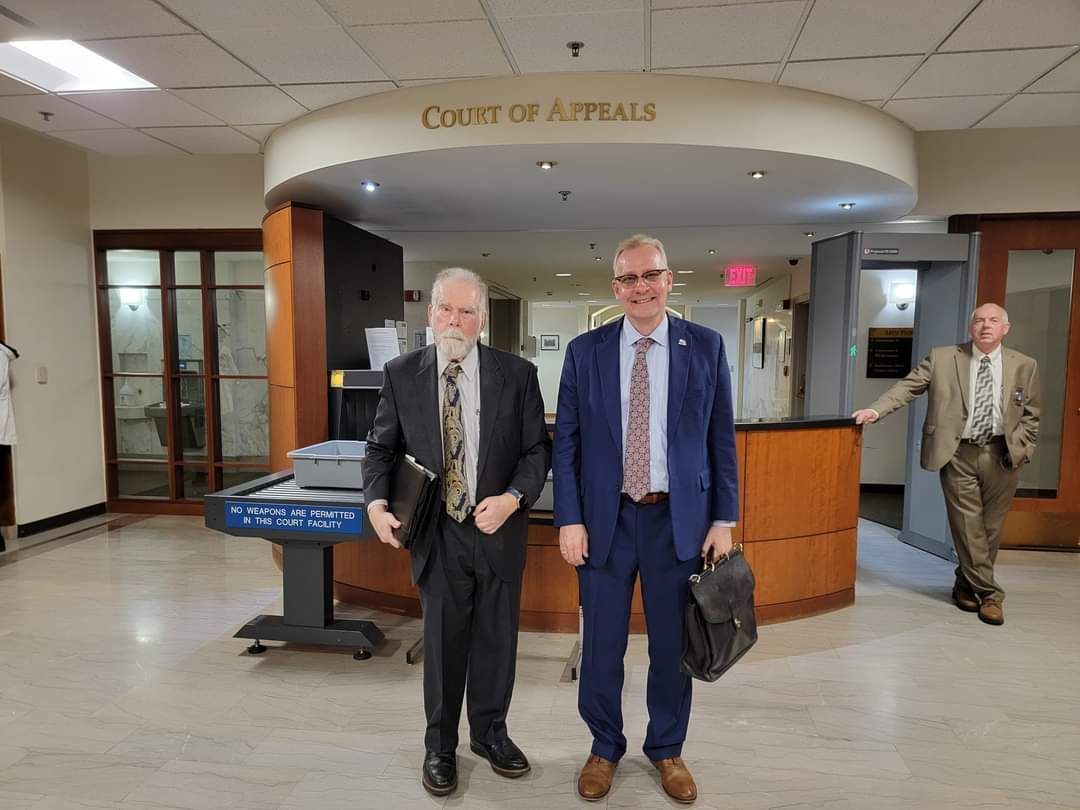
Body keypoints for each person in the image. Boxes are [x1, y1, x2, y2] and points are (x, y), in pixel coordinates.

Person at [552, 234, 738, 804]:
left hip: (677, 523)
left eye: (649, 275)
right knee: (602, 646)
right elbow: (568, 444)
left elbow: (720, 439)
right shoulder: (585, 352)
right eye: (628, 279)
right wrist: (570, 518)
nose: (640, 287)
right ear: (615, 288)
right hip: (605, 522)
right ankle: (604, 747)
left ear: (669, 278)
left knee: (669, 647)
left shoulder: (704, 346)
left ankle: (667, 749)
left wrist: (724, 517)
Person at [362, 267, 551, 797]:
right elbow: (380, 449)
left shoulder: (517, 375)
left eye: (467, 311)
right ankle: (440, 746)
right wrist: (376, 503)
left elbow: (538, 450)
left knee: (497, 643)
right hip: (436, 533)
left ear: (483, 320)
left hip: (497, 530)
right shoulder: (402, 374)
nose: (456, 320)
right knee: (443, 645)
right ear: (430, 314)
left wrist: (513, 499)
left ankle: (491, 735)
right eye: (446, 308)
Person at [853, 302, 1040, 626]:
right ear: (971, 327)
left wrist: (1023, 449)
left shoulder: (1025, 365)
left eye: (993, 321)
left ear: (1004, 329)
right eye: (979, 320)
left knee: (990, 530)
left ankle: (965, 585)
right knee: (967, 526)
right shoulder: (943, 358)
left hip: (1003, 455)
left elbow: (1032, 415)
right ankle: (991, 594)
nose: (985, 326)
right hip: (957, 454)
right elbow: (907, 387)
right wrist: (876, 410)